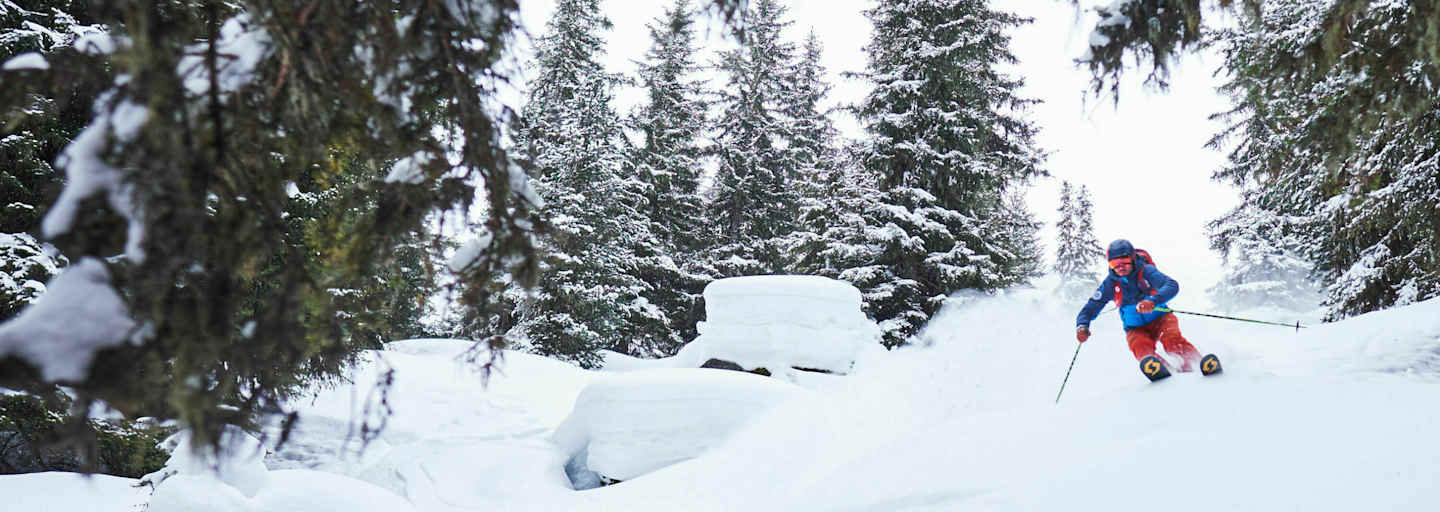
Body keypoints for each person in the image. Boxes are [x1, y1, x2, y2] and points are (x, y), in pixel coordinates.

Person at [1074, 239, 1203, 372]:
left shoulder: (1146, 271)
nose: (1120, 267)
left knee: (1171, 341)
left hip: (1162, 319)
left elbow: (1171, 285)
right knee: (1140, 347)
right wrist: (1082, 326)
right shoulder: (1110, 284)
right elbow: (1090, 307)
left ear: (1133, 258)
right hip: (1135, 328)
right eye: (1114, 263)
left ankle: (1197, 363)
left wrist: (1152, 301)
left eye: (1124, 261)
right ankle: (1163, 371)